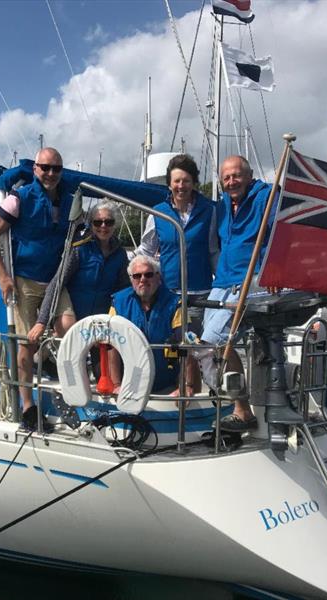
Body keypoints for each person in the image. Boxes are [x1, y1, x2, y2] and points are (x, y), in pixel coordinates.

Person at [0, 147, 76, 430]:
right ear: (35, 169)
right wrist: (3, 276)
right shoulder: (19, 198)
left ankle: (55, 371)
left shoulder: (71, 202)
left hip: (55, 280)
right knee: (26, 343)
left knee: (68, 329)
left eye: (56, 169)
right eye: (45, 168)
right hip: (24, 279)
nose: (50, 174)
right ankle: (27, 405)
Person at [200, 155, 275, 431]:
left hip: (250, 282)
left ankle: (241, 407)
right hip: (222, 282)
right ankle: (238, 406)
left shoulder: (266, 196)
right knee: (214, 346)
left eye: (236, 175)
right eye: (226, 177)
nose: (231, 181)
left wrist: (272, 272)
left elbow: (279, 234)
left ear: (249, 175)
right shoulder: (221, 208)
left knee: (214, 340)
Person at [136, 154, 219, 332]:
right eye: (177, 181)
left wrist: (222, 282)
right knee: (170, 349)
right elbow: (146, 252)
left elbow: (213, 251)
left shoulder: (209, 211)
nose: (181, 186)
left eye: (186, 181)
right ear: (169, 184)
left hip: (199, 295)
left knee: (194, 348)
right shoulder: (158, 213)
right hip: (168, 294)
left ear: (194, 182)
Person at [28, 200, 130, 343]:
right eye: (97, 222)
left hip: (102, 318)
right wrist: (42, 321)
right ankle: (47, 354)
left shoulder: (120, 254)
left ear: (115, 224)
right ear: (90, 224)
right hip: (74, 315)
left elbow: (124, 289)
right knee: (71, 342)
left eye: (108, 222)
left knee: (101, 363)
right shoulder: (80, 249)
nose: (103, 226)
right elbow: (57, 283)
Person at [108, 255, 198, 396]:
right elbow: (111, 345)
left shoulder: (175, 303)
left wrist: (186, 386)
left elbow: (187, 344)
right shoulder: (118, 302)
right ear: (131, 279)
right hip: (129, 385)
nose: (143, 279)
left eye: (148, 275)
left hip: (166, 385)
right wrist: (116, 385)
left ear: (158, 277)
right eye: (137, 276)